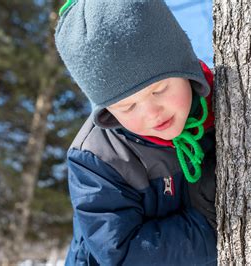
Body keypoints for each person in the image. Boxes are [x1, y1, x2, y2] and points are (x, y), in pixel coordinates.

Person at [55, 0, 217, 265]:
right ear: (108, 111)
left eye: (160, 89)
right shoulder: (98, 160)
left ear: (186, 68)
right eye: (127, 106)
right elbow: (122, 254)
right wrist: (206, 220)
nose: (153, 114)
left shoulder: (224, 103)